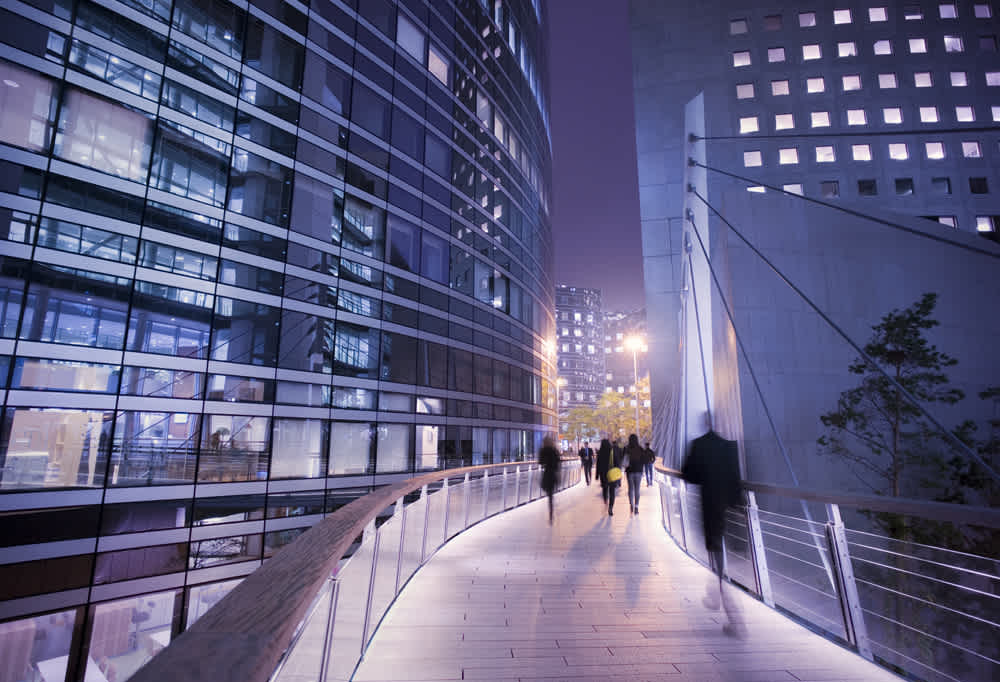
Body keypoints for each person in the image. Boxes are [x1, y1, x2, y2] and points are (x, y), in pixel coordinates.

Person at [681, 427, 744, 635]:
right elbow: (735, 479)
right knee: (724, 555)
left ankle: (733, 616)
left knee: (716, 552)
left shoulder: (700, 445)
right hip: (731, 508)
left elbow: (688, 474)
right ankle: (718, 593)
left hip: (710, 506)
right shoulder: (728, 446)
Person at [595, 438, 621, 515]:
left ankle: (605, 500)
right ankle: (610, 507)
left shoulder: (600, 453)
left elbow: (598, 465)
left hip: (603, 474)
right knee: (612, 491)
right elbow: (617, 462)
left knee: (605, 489)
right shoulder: (612, 451)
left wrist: (597, 475)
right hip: (612, 474)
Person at [538, 436, 560, 524]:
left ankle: (551, 511)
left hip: (546, 474)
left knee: (549, 494)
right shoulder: (554, 450)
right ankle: (551, 511)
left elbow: (540, 462)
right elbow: (558, 462)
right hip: (553, 474)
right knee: (551, 494)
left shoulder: (543, 450)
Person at [623, 434, 645, 514]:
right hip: (638, 471)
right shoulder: (640, 449)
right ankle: (636, 506)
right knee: (637, 489)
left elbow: (624, 459)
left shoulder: (626, 448)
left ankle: (631, 504)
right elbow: (643, 460)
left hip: (630, 471)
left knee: (630, 489)